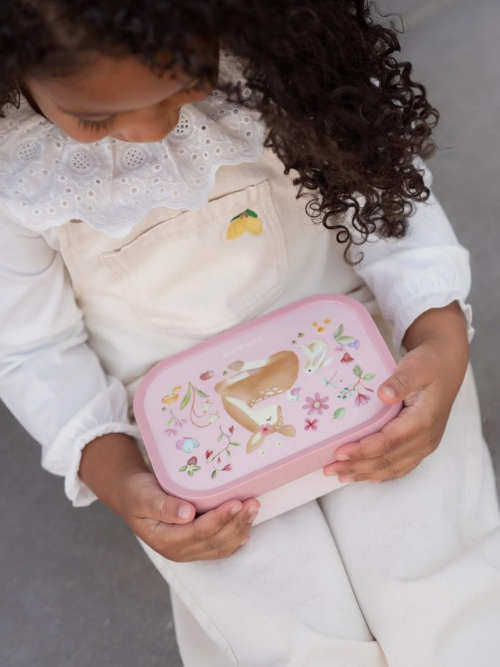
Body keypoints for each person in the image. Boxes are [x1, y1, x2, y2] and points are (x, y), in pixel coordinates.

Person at [1, 1, 499, 665]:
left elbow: (385, 199)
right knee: (282, 623)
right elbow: (34, 351)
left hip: (365, 363)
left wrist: (439, 340)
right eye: (95, 119)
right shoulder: (15, 175)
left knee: (439, 572)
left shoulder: (287, 69)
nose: (151, 130)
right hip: (180, 441)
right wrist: (122, 481)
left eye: (187, 82)